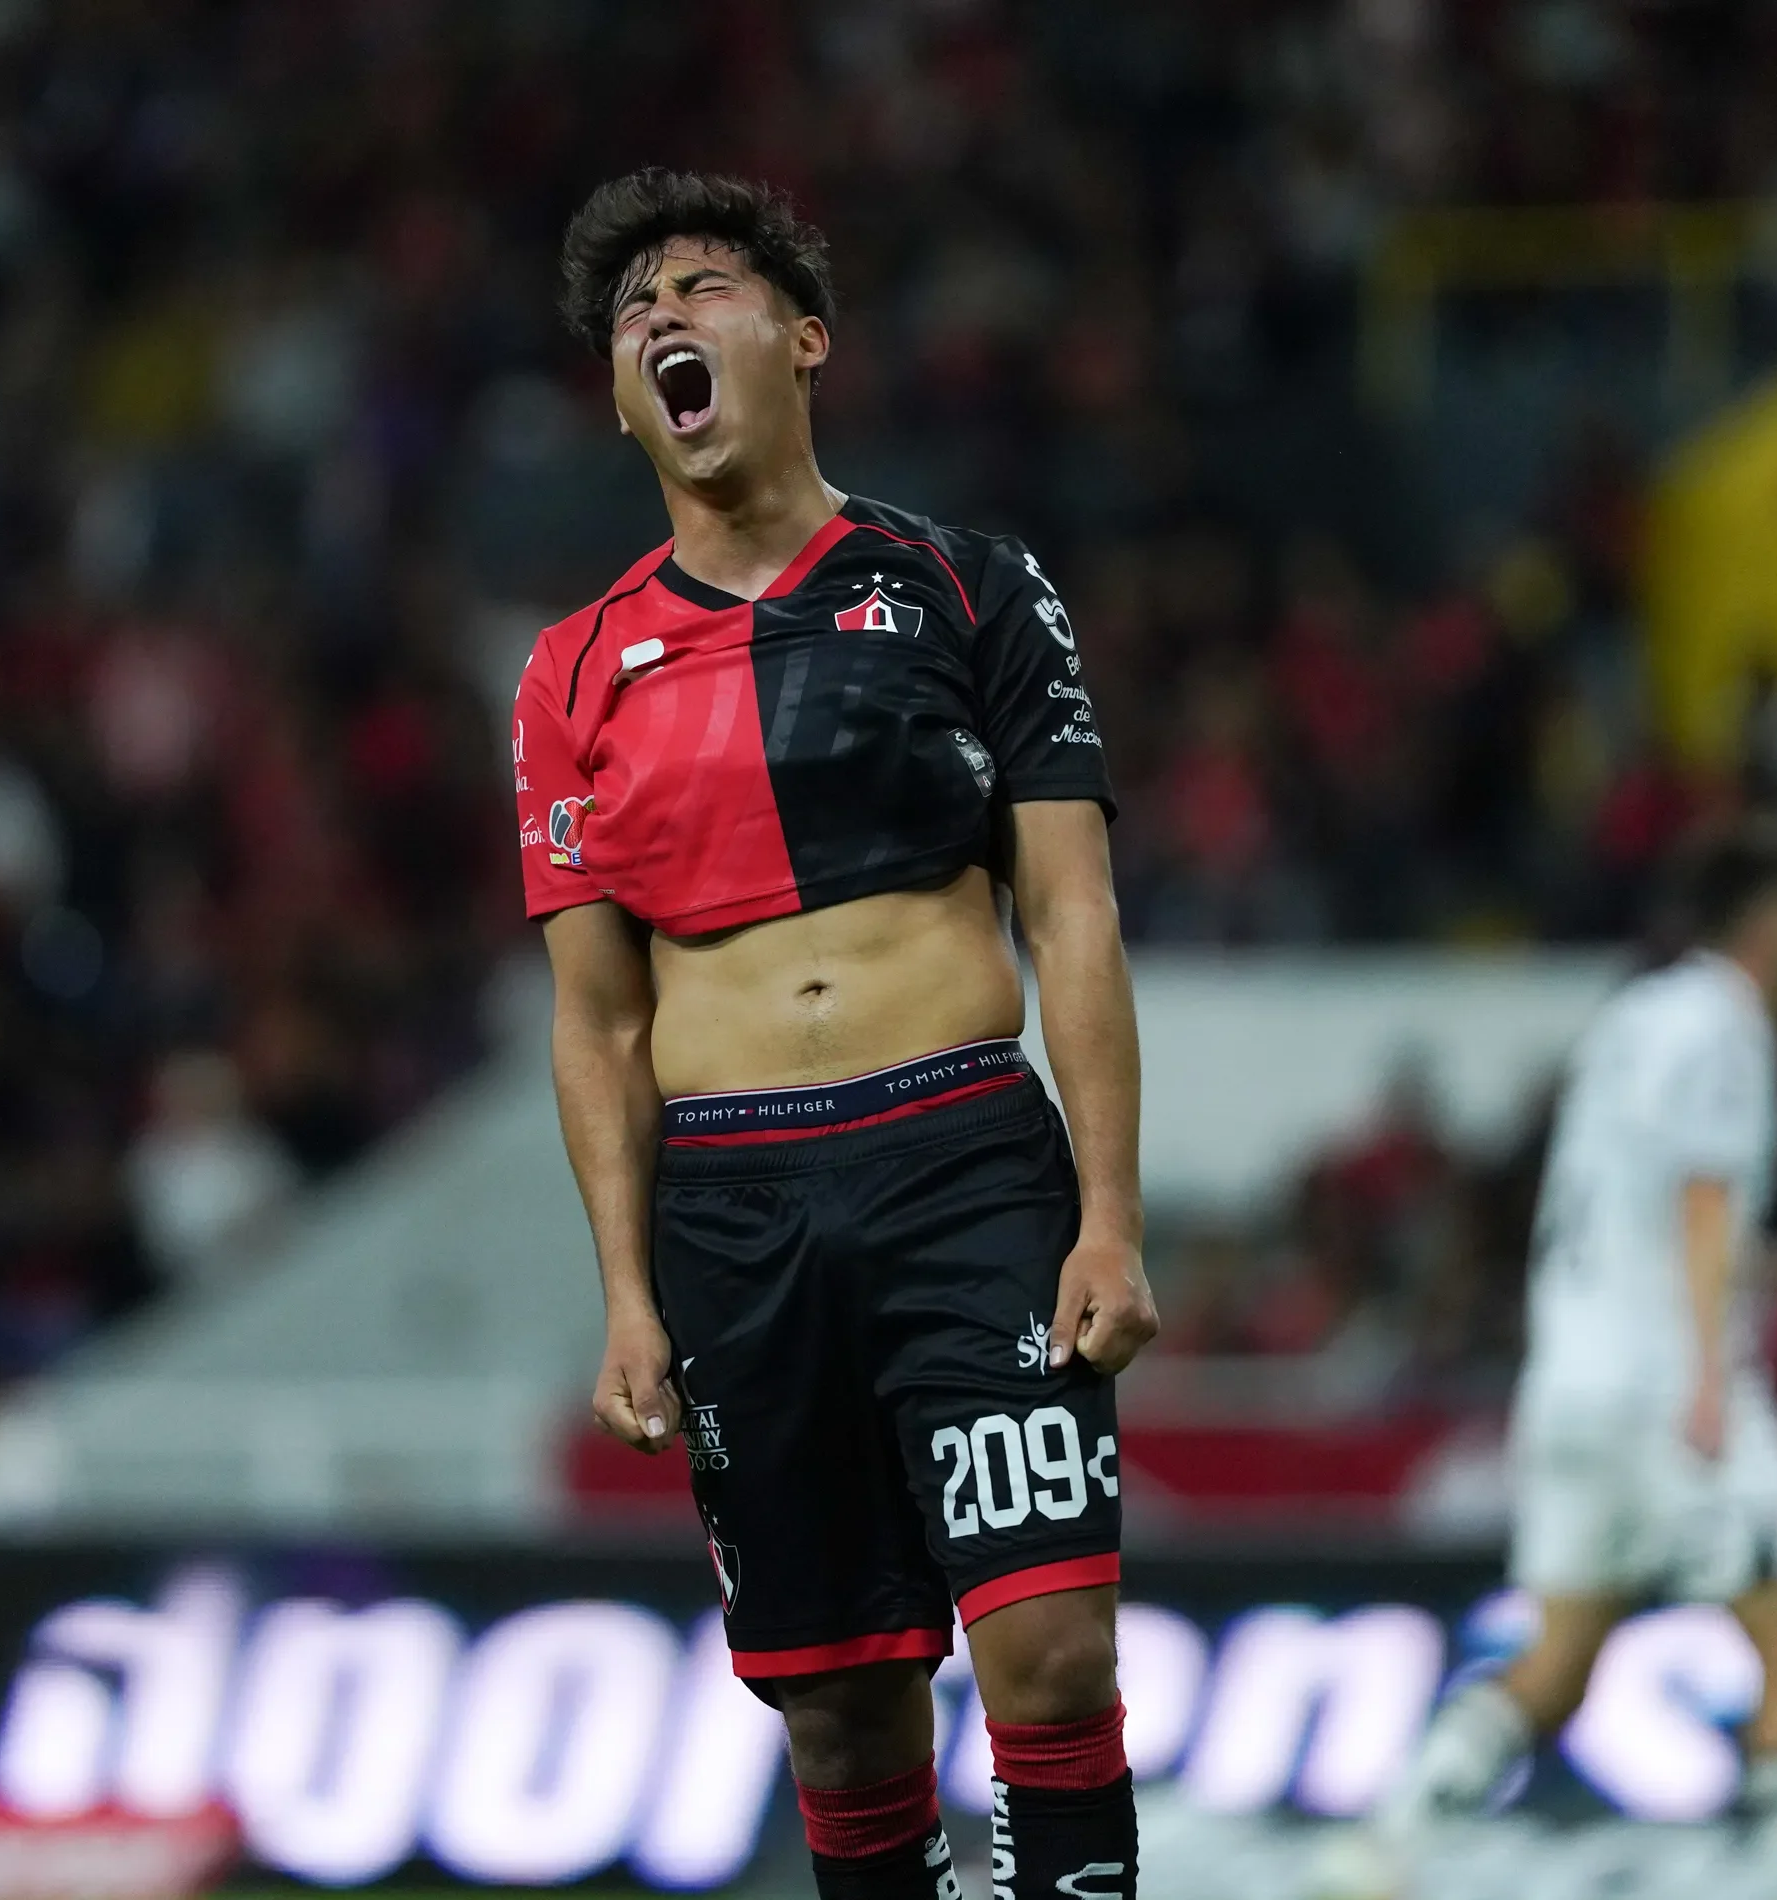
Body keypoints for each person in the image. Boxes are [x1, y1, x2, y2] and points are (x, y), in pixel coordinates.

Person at [517, 169, 1157, 1900]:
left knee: (1051, 1656)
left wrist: (1108, 1212)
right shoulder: (570, 674)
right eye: (633, 310)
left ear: (803, 341)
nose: (663, 316)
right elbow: (597, 1023)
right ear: (622, 396)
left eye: (703, 286)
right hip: (735, 1212)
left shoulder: (969, 585)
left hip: (962, 1162)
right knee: (844, 1721)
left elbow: (1071, 915)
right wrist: (626, 1292)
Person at [1317, 815, 1777, 1897]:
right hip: (1670, 1384)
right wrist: (1708, 1382)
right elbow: (1701, 1201)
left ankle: (1381, 1847)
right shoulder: (1726, 1024)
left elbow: (1635, 1216)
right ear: (1771, 916)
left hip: (1570, 1384)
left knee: (1559, 1657)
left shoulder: (1634, 1017)